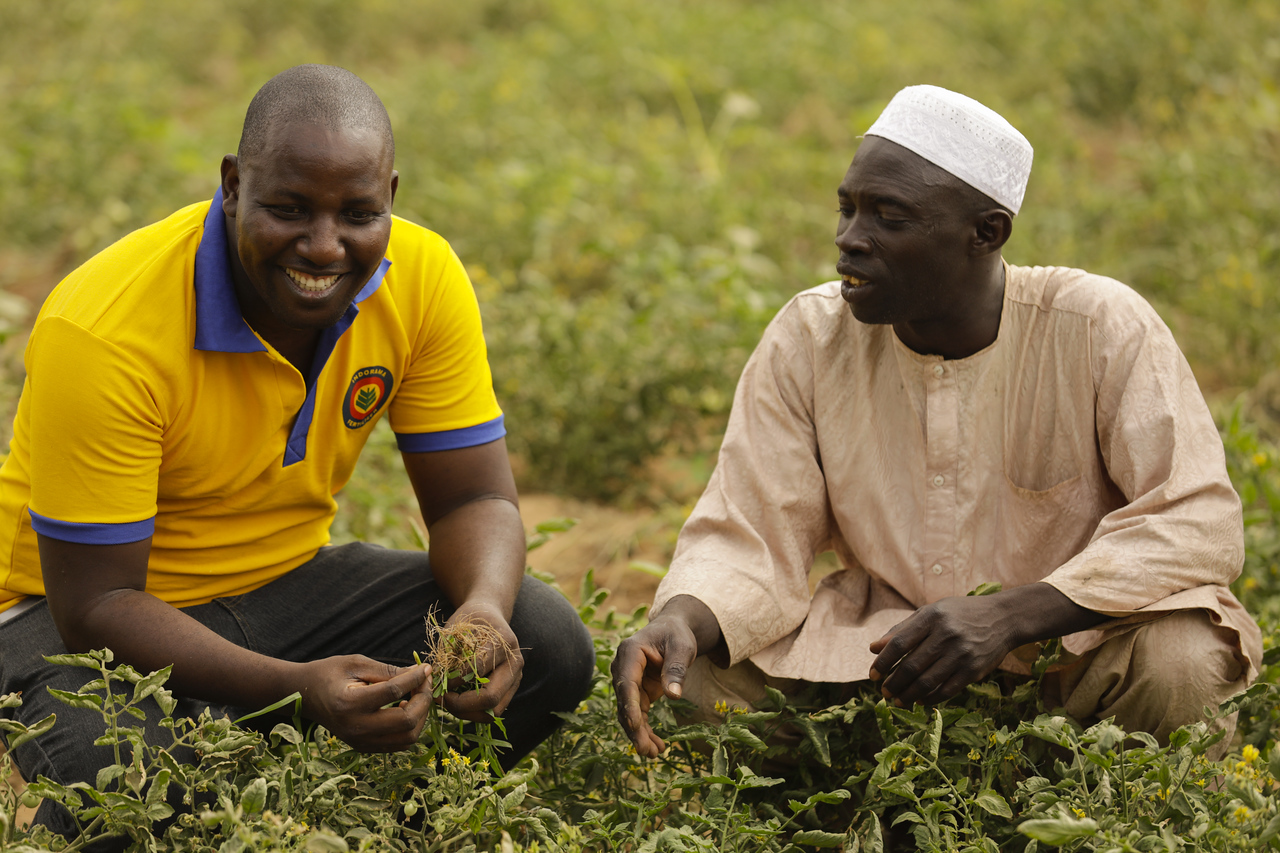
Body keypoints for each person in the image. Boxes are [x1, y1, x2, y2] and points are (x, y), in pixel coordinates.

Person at [0, 65, 594, 843]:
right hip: (65, 617)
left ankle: (393, 831)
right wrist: (296, 689)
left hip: (283, 585)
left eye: (358, 213)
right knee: (129, 769)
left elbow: (471, 501)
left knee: (543, 637)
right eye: (287, 209)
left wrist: (482, 611)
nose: (323, 246)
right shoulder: (108, 326)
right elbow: (97, 606)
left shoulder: (421, 278)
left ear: (391, 194)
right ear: (233, 184)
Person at [613, 84, 1262, 761]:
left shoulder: (1098, 326)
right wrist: (682, 617)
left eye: (888, 216)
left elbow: (1195, 520)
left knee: (1184, 657)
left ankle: (1093, 813)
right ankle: (860, 808)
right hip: (886, 666)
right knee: (687, 679)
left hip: (1072, 666)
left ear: (987, 232)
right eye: (847, 208)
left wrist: (1010, 615)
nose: (848, 240)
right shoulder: (810, 336)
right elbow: (750, 529)